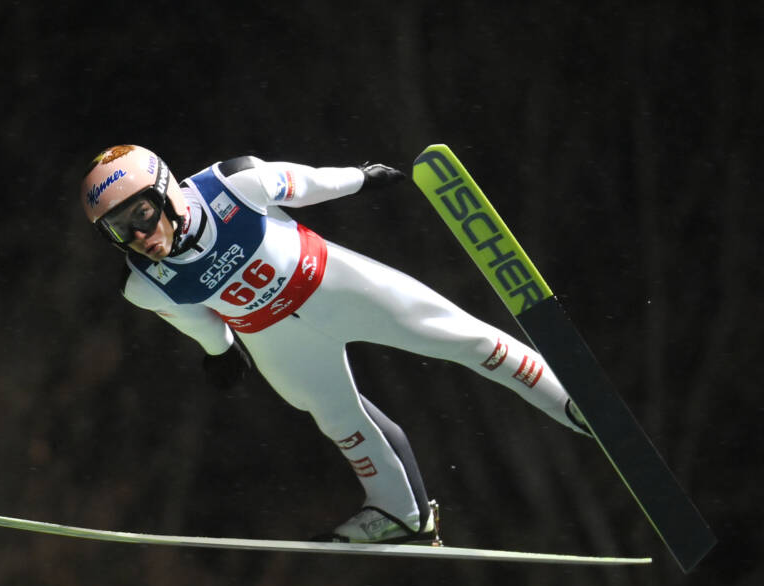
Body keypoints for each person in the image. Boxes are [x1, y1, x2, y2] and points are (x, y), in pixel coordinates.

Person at [80, 144, 591, 544]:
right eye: (118, 230)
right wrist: (219, 353)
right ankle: (401, 514)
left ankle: (571, 399)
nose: (139, 236)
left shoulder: (232, 182)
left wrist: (360, 178)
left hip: (335, 284)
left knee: (462, 337)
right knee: (340, 421)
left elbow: (306, 183)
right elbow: (200, 322)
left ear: (166, 191)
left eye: (141, 214)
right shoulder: (142, 284)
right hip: (274, 339)